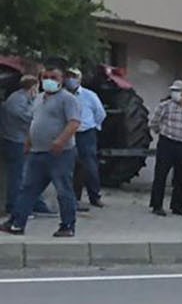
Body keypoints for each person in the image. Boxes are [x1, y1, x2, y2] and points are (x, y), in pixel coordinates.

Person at [2, 56, 82, 238]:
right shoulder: (38, 98)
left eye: (54, 78)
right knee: (27, 188)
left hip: (60, 154)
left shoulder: (67, 99)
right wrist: (29, 141)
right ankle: (16, 222)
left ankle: (67, 226)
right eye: (46, 77)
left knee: (63, 190)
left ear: (62, 80)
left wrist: (60, 141)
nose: (49, 81)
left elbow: (74, 123)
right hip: (37, 152)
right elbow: (34, 121)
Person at [149, 80, 182, 217]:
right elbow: (154, 123)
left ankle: (177, 206)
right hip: (167, 143)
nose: (174, 93)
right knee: (161, 175)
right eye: (173, 91)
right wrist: (161, 133)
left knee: (180, 177)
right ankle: (157, 205)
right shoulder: (165, 106)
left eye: (177, 91)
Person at [2, 68, 47, 220]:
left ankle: (32, 204)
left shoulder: (21, 99)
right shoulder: (17, 101)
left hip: (22, 141)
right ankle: (14, 206)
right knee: (18, 175)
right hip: (16, 141)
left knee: (26, 174)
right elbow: (31, 118)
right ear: (32, 87)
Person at [66, 72, 106, 212]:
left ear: (80, 79)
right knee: (72, 165)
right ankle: (74, 198)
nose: (71, 80)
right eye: (68, 76)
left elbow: (100, 113)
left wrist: (95, 126)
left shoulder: (89, 95)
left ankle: (94, 196)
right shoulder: (63, 95)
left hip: (86, 133)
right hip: (68, 132)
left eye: (74, 77)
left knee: (90, 165)